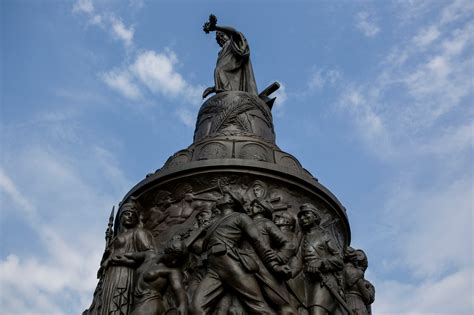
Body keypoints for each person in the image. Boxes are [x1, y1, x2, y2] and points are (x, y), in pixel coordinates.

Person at [190, 189, 291, 314]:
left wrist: (274, 265)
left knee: (258, 306)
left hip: (231, 263)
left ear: (230, 201)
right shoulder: (214, 223)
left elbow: (259, 241)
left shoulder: (240, 217)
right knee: (196, 308)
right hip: (213, 268)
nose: (219, 198)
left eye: (224, 196)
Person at [85, 200, 154, 315]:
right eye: (127, 214)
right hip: (109, 276)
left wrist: (126, 257)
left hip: (124, 273)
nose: (130, 216)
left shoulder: (138, 233)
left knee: (118, 304)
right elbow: (105, 260)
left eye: (133, 215)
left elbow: (150, 253)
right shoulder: (113, 240)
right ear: (121, 217)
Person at [244, 199, 297, 315]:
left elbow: (289, 245)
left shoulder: (266, 223)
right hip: (243, 265)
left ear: (261, 209)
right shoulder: (243, 223)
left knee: (283, 305)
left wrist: (280, 257)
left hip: (264, 267)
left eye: (253, 206)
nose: (249, 208)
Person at [295, 203, 346, 315]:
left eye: (306, 214)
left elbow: (339, 260)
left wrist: (321, 263)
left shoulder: (325, 235)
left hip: (323, 281)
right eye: (301, 216)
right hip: (306, 281)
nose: (302, 218)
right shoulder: (301, 238)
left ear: (316, 216)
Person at [123, 240, 189, 315]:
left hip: (151, 302)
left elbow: (179, 289)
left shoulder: (172, 270)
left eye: (178, 260)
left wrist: (183, 305)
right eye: (174, 257)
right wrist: (112, 258)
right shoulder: (150, 255)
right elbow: (131, 255)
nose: (174, 262)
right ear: (168, 251)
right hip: (137, 302)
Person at [202, 14, 258, 98]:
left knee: (219, 69)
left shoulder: (233, 42)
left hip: (234, 89)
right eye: (218, 39)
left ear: (228, 35)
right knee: (218, 70)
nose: (220, 39)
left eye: (222, 35)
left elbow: (234, 32)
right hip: (231, 88)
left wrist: (216, 28)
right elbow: (231, 77)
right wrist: (213, 88)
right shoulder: (221, 53)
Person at [343, 248, 375, 315]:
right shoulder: (343, 273)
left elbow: (368, 298)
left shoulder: (368, 284)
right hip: (346, 305)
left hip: (357, 307)